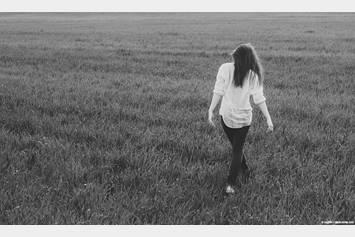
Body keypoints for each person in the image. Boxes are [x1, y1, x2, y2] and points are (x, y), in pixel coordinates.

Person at [208, 43, 273, 195]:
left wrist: (211, 109)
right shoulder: (253, 75)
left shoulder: (225, 68)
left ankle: (237, 177)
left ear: (236, 57)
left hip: (227, 117)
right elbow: (259, 99)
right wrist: (268, 119)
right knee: (238, 149)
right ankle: (235, 179)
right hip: (244, 119)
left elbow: (218, 91)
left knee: (237, 148)